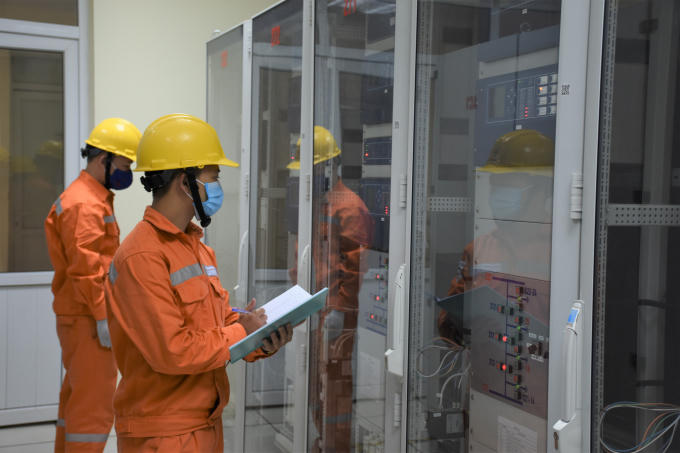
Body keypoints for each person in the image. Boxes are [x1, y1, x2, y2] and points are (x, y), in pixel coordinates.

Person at [106, 113, 293, 453]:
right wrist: (243, 331)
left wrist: (260, 339)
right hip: (163, 434)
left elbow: (215, 326)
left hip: (203, 422)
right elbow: (173, 351)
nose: (218, 187)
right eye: (214, 177)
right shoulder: (141, 256)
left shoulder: (196, 247)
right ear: (184, 182)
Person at [44, 118, 141, 453]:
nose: (127, 173)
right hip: (87, 318)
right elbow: (87, 270)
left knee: (76, 399)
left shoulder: (90, 197)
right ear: (104, 159)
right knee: (94, 410)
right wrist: (103, 317)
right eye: (124, 166)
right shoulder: (84, 204)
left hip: (80, 315)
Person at [288, 126, 374, 453]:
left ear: (330, 166)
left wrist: (339, 310)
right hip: (313, 310)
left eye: (312, 169)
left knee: (334, 387)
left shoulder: (349, 207)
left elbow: (353, 269)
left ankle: (336, 446)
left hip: (336, 315)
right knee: (315, 385)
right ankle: (323, 441)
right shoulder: (318, 204)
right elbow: (305, 256)